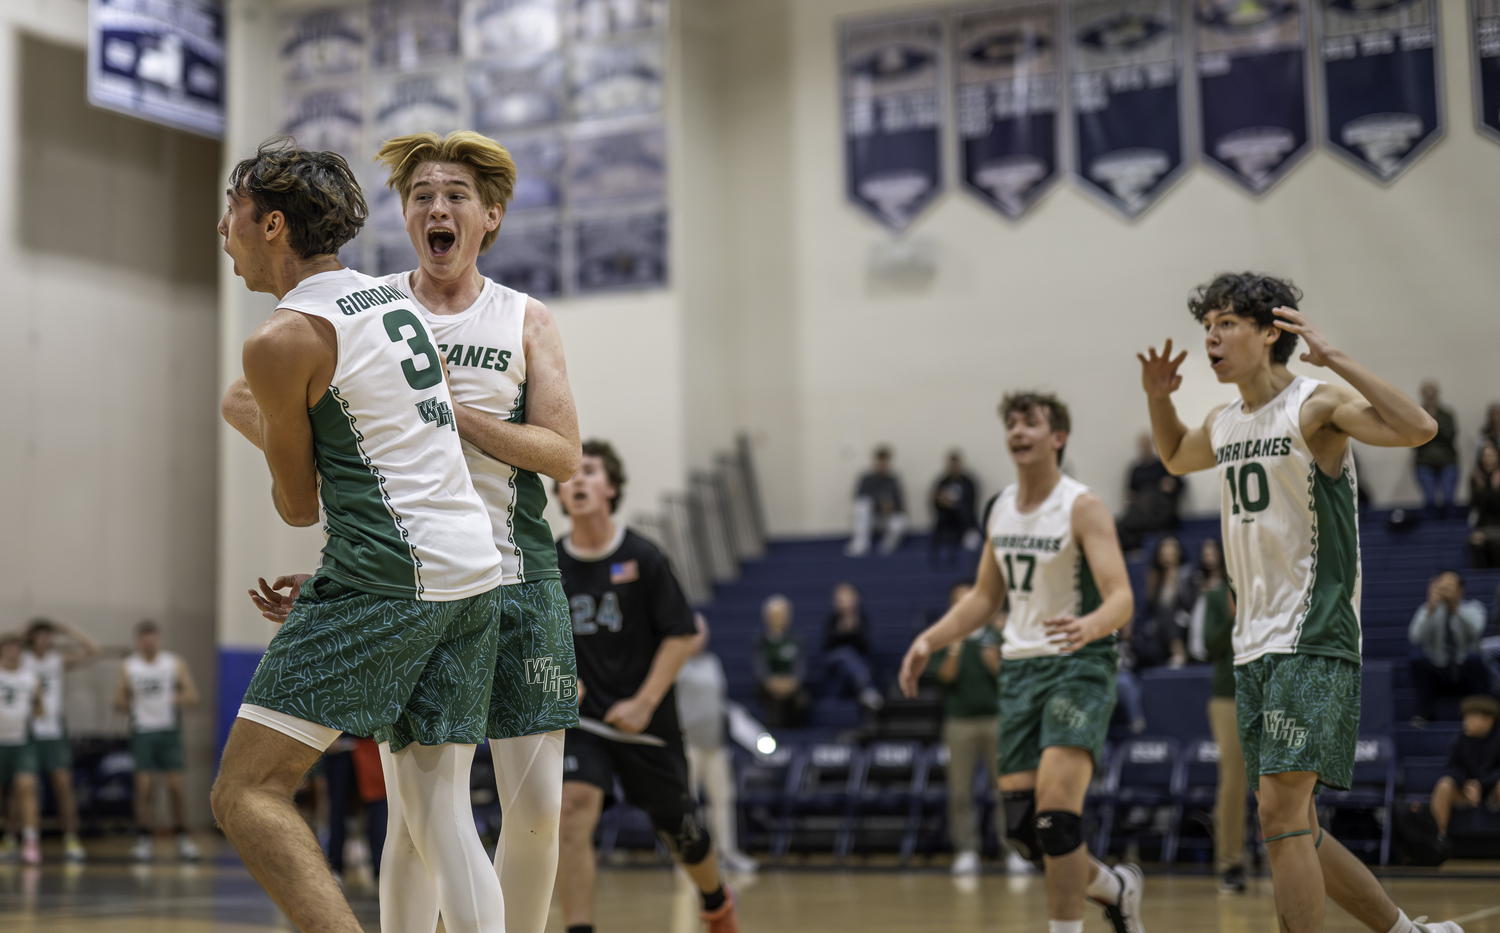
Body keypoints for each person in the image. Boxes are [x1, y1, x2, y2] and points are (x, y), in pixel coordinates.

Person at [233, 130, 583, 933]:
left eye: (455, 195)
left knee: (534, 811)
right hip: (420, 569)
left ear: (488, 217)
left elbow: (563, 452)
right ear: (401, 212)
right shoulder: (371, 299)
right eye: (422, 194)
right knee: (419, 814)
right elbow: (257, 402)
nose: (437, 207)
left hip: (514, 567)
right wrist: (338, 559)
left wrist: (451, 418)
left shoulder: (522, 317)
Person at [1138, 271, 1456, 933]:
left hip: (1313, 631)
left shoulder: (1315, 404)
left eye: (1226, 323)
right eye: (1208, 326)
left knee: (1279, 818)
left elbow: (1419, 427)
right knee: (1295, 826)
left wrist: (1333, 355)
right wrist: (1157, 399)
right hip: (1254, 643)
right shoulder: (1223, 421)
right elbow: (1171, 455)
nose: (1211, 337)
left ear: (1269, 332)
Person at [899, 391, 1144, 933]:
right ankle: (1117, 888)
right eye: (1011, 422)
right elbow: (986, 598)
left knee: (1057, 817)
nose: (1018, 430)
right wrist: (930, 640)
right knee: (1025, 834)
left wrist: (1090, 625)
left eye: (1031, 421)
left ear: (1057, 437)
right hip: (1019, 671)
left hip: (1078, 664)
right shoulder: (1001, 506)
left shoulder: (1083, 505)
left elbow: (1121, 597)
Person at [554, 440, 740, 933]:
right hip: (584, 721)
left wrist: (643, 701)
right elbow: (536, 637)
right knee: (570, 814)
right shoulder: (550, 565)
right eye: (568, 475)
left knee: (678, 828)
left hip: (645, 720)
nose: (576, 481)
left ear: (611, 487)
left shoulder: (644, 556)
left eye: (589, 471)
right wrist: (557, 674)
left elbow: (680, 636)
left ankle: (716, 899)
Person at [925, 582, 1011, 876]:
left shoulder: (996, 633)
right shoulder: (945, 636)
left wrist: (992, 660)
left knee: (1006, 789)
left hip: (996, 719)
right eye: (957, 601)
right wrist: (955, 648)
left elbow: (1010, 679)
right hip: (958, 721)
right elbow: (945, 677)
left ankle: (1012, 851)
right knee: (960, 790)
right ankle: (966, 850)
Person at [677, 613, 758, 874]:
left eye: (702, 632)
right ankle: (688, 855)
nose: (699, 638)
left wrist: (735, 714)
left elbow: (718, 699)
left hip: (716, 745)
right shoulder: (676, 663)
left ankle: (726, 852)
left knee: (722, 800)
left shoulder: (713, 662)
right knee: (687, 803)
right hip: (689, 744)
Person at [113, 620, 200, 862]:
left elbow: (192, 694)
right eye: (144, 639)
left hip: (168, 731)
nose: (149, 643)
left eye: (153, 638)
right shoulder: (129, 666)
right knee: (144, 787)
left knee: (175, 787)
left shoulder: (173, 663)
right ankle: (144, 837)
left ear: (159, 640)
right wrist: (129, 703)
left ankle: (183, 836)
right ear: (139, 641)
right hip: (142, 731)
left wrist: (172, 699)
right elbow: (118, 699)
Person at [22, 618, 99, 862]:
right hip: (28, 732)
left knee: (63, 787)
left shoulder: (57, 660)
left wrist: (66, 629)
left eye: (49, 635)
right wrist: (22, 631)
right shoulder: (22, 660)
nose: (46, 639)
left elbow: (94, 650)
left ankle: (71, 838)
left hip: (54, 733)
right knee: (23, 791)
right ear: (32, 637)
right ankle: (21, 839)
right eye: (40, 634)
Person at [1195, 539, 1247, 893]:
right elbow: (1208, 646)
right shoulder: (1214, 597)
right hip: (1228, 696)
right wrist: (1231, 616)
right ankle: (1230, 862)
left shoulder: (1267, 588)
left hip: (1269, 692)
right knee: (1233, 781)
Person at [1408, 571, 1490, 725]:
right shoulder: (1427, 609)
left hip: (1464, 669)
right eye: (1442, 585)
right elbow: (1415, 637)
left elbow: (1476, 630)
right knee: (1417, 661)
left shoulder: (1473, 607)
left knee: (1476, 661)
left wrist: (1454, 608)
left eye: (1450, 585)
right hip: (1438, 670)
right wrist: (1430, 608)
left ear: (1461, 590)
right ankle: (1424, 715)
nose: (1445, 589)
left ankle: (1479, 713)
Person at [1429, 695, 1500, 847]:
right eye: (1465, 717)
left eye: (1472, 717)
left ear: (1489, 720)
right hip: (1467, 791)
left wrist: (1481, 785)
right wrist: (1467, 785)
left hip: (1492, 791)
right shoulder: (1461, 739)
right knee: (1444, 785)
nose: (1466, 722)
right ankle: (1436, 841)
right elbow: (1452, 768)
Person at [0, 634, 42, 865]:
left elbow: (39, 708)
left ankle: (30, 840)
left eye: (15, 648)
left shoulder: (30, 677)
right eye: (7, 647)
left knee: (26, 788)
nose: (11, 652)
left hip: (22, 740)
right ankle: (6, 839)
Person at [1117, 431, 1187, 552]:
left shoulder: (1162, 465)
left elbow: (1180, 483)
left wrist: (1171, 485)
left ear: (1151, 445)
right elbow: (1130, 492)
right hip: (1140, 512)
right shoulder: (1136, 469)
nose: (1145, 448)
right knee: (1120, 526)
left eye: (1147, 444)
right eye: (1142, 445)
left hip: (1159, 512)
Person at [1131, 535, 1192, 670]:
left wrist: (1176, 583)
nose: (1168, 556)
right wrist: (1151, 587)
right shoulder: (1155, 577)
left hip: (1183, 619)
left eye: (1171, 551)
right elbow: (1150, 606)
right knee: (1162, 614)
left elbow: (1190, 603)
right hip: (1160, 624)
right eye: (1164, 552)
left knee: (1167, 612)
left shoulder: (1186, 573)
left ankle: (1178, 651)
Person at [823, 582, 883, 711]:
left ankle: (863, 688)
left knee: (850, 657)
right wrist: (840, 632)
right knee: (845, 653)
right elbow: (826, 647)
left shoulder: (862, 621)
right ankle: (867, 687)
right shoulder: (831, 621)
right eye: (840, 599)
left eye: (847, 598)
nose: (844, 603)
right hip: (835, 666)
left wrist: (853, 631)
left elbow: (865, 648)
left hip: (852, 669)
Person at [753, 595, 810, 728]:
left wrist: (790, 683)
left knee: (801, 701)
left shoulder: (796, 641)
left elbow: (799, 669)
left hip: (792, 688)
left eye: (782, 615)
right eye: (775, 615)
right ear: (766, 617)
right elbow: (760, 670)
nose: (779, 619)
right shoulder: (760, 642)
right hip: (767, 689)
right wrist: (772, 683)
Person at [848, 446, 908, 556]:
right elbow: (859, 498)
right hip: (872, 518)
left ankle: (888, 544)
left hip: (887, 517)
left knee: (900, 521)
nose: (882, 465)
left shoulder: (893, 480)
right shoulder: (866, 479)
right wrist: (879, 503)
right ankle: (861, 543)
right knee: (861, 505)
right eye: (880, 462)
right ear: (875, 462)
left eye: (885, 463)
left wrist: (891, 507)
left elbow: (901, 504)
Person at [1414, 380, 1459, 518]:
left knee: (1449, 501)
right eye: (1427, 394)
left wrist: (1434, 424)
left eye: (1432, 394)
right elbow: (1413, 440)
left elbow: (1451, 436)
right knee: (1430, 502)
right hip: (1424, 462)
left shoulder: (1446, 414)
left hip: (1447, 461)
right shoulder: (1416, 415)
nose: (1430, 397)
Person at [931, 450, 981, 563]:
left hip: (967, 525)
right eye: (951, 465)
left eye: (956, 465)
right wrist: (942, 503)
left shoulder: (968, 483)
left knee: (973, 547)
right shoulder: (942, 482)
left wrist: (955, 505)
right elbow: (934, 503)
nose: (953, 468)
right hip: (947, 524)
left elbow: (971, 504)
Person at [1468, 444, 1500, 568]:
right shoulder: (1476, 479)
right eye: (1484, 456)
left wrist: (1496, 490)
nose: (1487, 459)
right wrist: (1481, 489)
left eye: (1490, 456)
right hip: (1484, 526)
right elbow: (1475, 506)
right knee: (1475, 541)